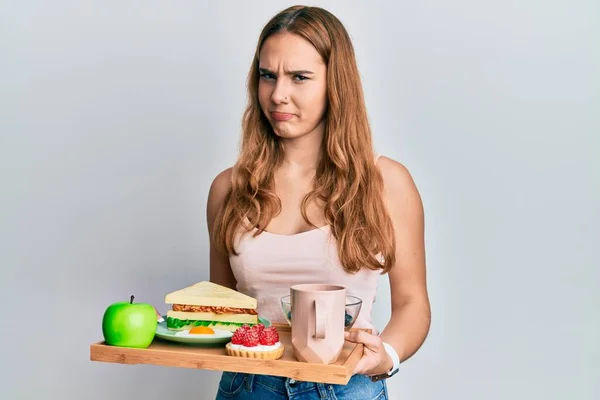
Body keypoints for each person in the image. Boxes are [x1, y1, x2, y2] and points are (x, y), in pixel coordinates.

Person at [208, 5, 430, 399]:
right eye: (267, 76)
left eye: (300, 77)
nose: (278, 94)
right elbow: (223, 312)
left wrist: (384, 357)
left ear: (335, 84)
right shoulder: (229, 188)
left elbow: (412, 303)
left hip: (347, 387)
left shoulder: (386, 183)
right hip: (248, 387)